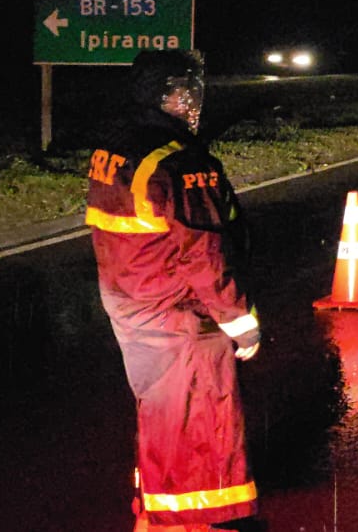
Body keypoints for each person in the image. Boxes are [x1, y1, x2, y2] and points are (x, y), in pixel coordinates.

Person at [86, 49, 262, 531]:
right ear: (163, 95)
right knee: (199, 418)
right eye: (186, 92)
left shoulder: (114, 148)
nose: (193, 103)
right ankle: (195, 515)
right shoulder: (181, 163)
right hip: (177, 310)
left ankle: (156, 499)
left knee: (158, 408)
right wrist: (240, 324)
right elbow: (203, 255)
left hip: (129, 300)